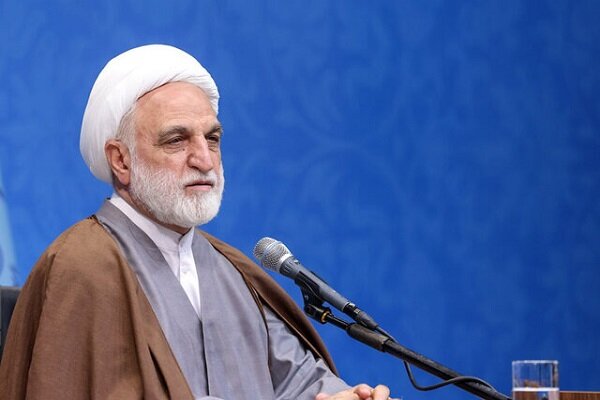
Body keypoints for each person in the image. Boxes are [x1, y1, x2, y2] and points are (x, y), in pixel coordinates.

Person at [0, 44, 393, 400]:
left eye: (213, 138)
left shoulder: (230, 270)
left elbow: (298, 379)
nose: (204, 160)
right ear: (121, 160)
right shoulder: (83, 265)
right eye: (176, 140)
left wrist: (342, 397)